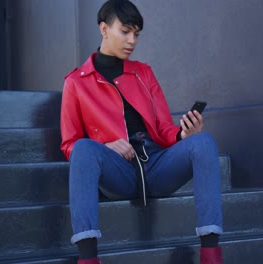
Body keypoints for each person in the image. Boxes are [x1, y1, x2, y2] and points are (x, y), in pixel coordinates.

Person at [60, 1, 223, 263]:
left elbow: (162, 129)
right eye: (125, 31)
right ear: (104, 29)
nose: (132, 40)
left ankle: (211, 254)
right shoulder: (76, 83)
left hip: (157, 164)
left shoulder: (143, 73)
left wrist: (183, 135)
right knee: (82, 148)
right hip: (118, 170)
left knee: (203, 142)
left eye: (136, 33)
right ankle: (88, 258)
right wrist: (106, 146)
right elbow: (69, 144)